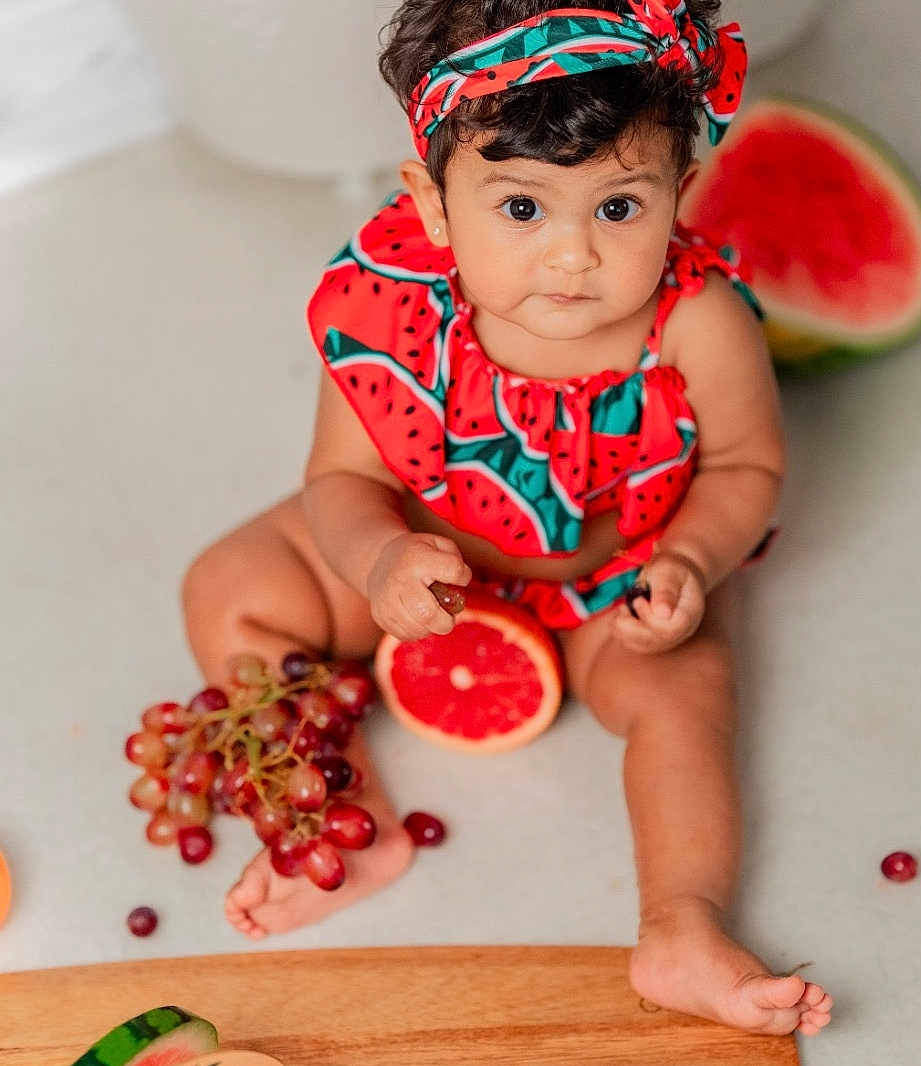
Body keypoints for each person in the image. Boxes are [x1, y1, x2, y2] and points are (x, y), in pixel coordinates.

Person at [183, 0, 832, 1037]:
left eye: (617, 209)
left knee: (685, 688)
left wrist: (693, 564)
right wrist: (380, 554)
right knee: (230, 587)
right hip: (428, 561)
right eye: (522, 210)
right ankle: (339, 824)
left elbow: (749, 464)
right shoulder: (385, 308)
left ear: (680, 193)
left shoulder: (697, 321)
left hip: (604, 586)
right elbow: (339, 483)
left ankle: (681, 923)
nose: (572, 258)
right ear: (434, 205)